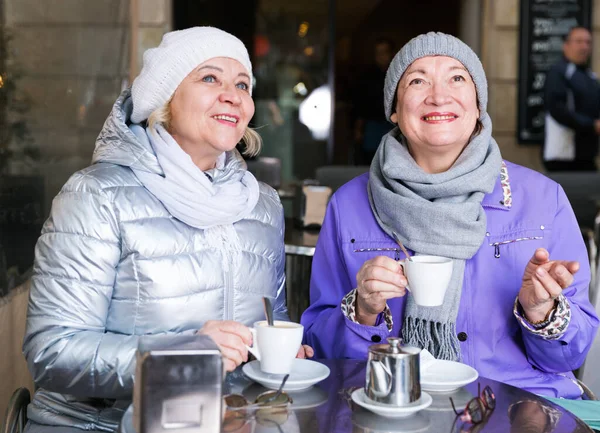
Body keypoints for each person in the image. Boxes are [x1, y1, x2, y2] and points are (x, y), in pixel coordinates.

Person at [22, 27, 312, 432]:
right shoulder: (97, 195)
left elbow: (271, 319)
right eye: (210, 78)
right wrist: (185, 353)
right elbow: (52, 351)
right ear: (164, 97)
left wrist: (281, 352)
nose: (232, 94)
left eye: (242, 83)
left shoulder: (261, 205)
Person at [301, 32, 599, 398]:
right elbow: (321, 352)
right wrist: (363, 311)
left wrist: (541, 311)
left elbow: (572, 352)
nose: (439, 95)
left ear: (478, 105)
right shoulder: (348, 204)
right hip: (389, 406)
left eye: (457, 77)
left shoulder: (542, 199)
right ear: (394, 109)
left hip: (519, 406)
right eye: (417, 80)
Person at [543, 26, 600, 171]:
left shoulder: (590, 76)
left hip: (586, 155)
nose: (584, 46)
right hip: (563, 155)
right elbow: (558, 109)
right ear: (566, 45)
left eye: (588, 42)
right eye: (579, 41)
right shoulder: (559, 72)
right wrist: (592, 125)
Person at [353, 38, 395, 165]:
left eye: (384, 52)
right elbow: (360, 104)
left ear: (391, 53)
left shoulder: (398, 75)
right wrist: (358, 129)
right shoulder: (367, 77)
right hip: (373, 126)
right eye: (378, 53)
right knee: (371, 162)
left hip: (394, 124)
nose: (381, 56)